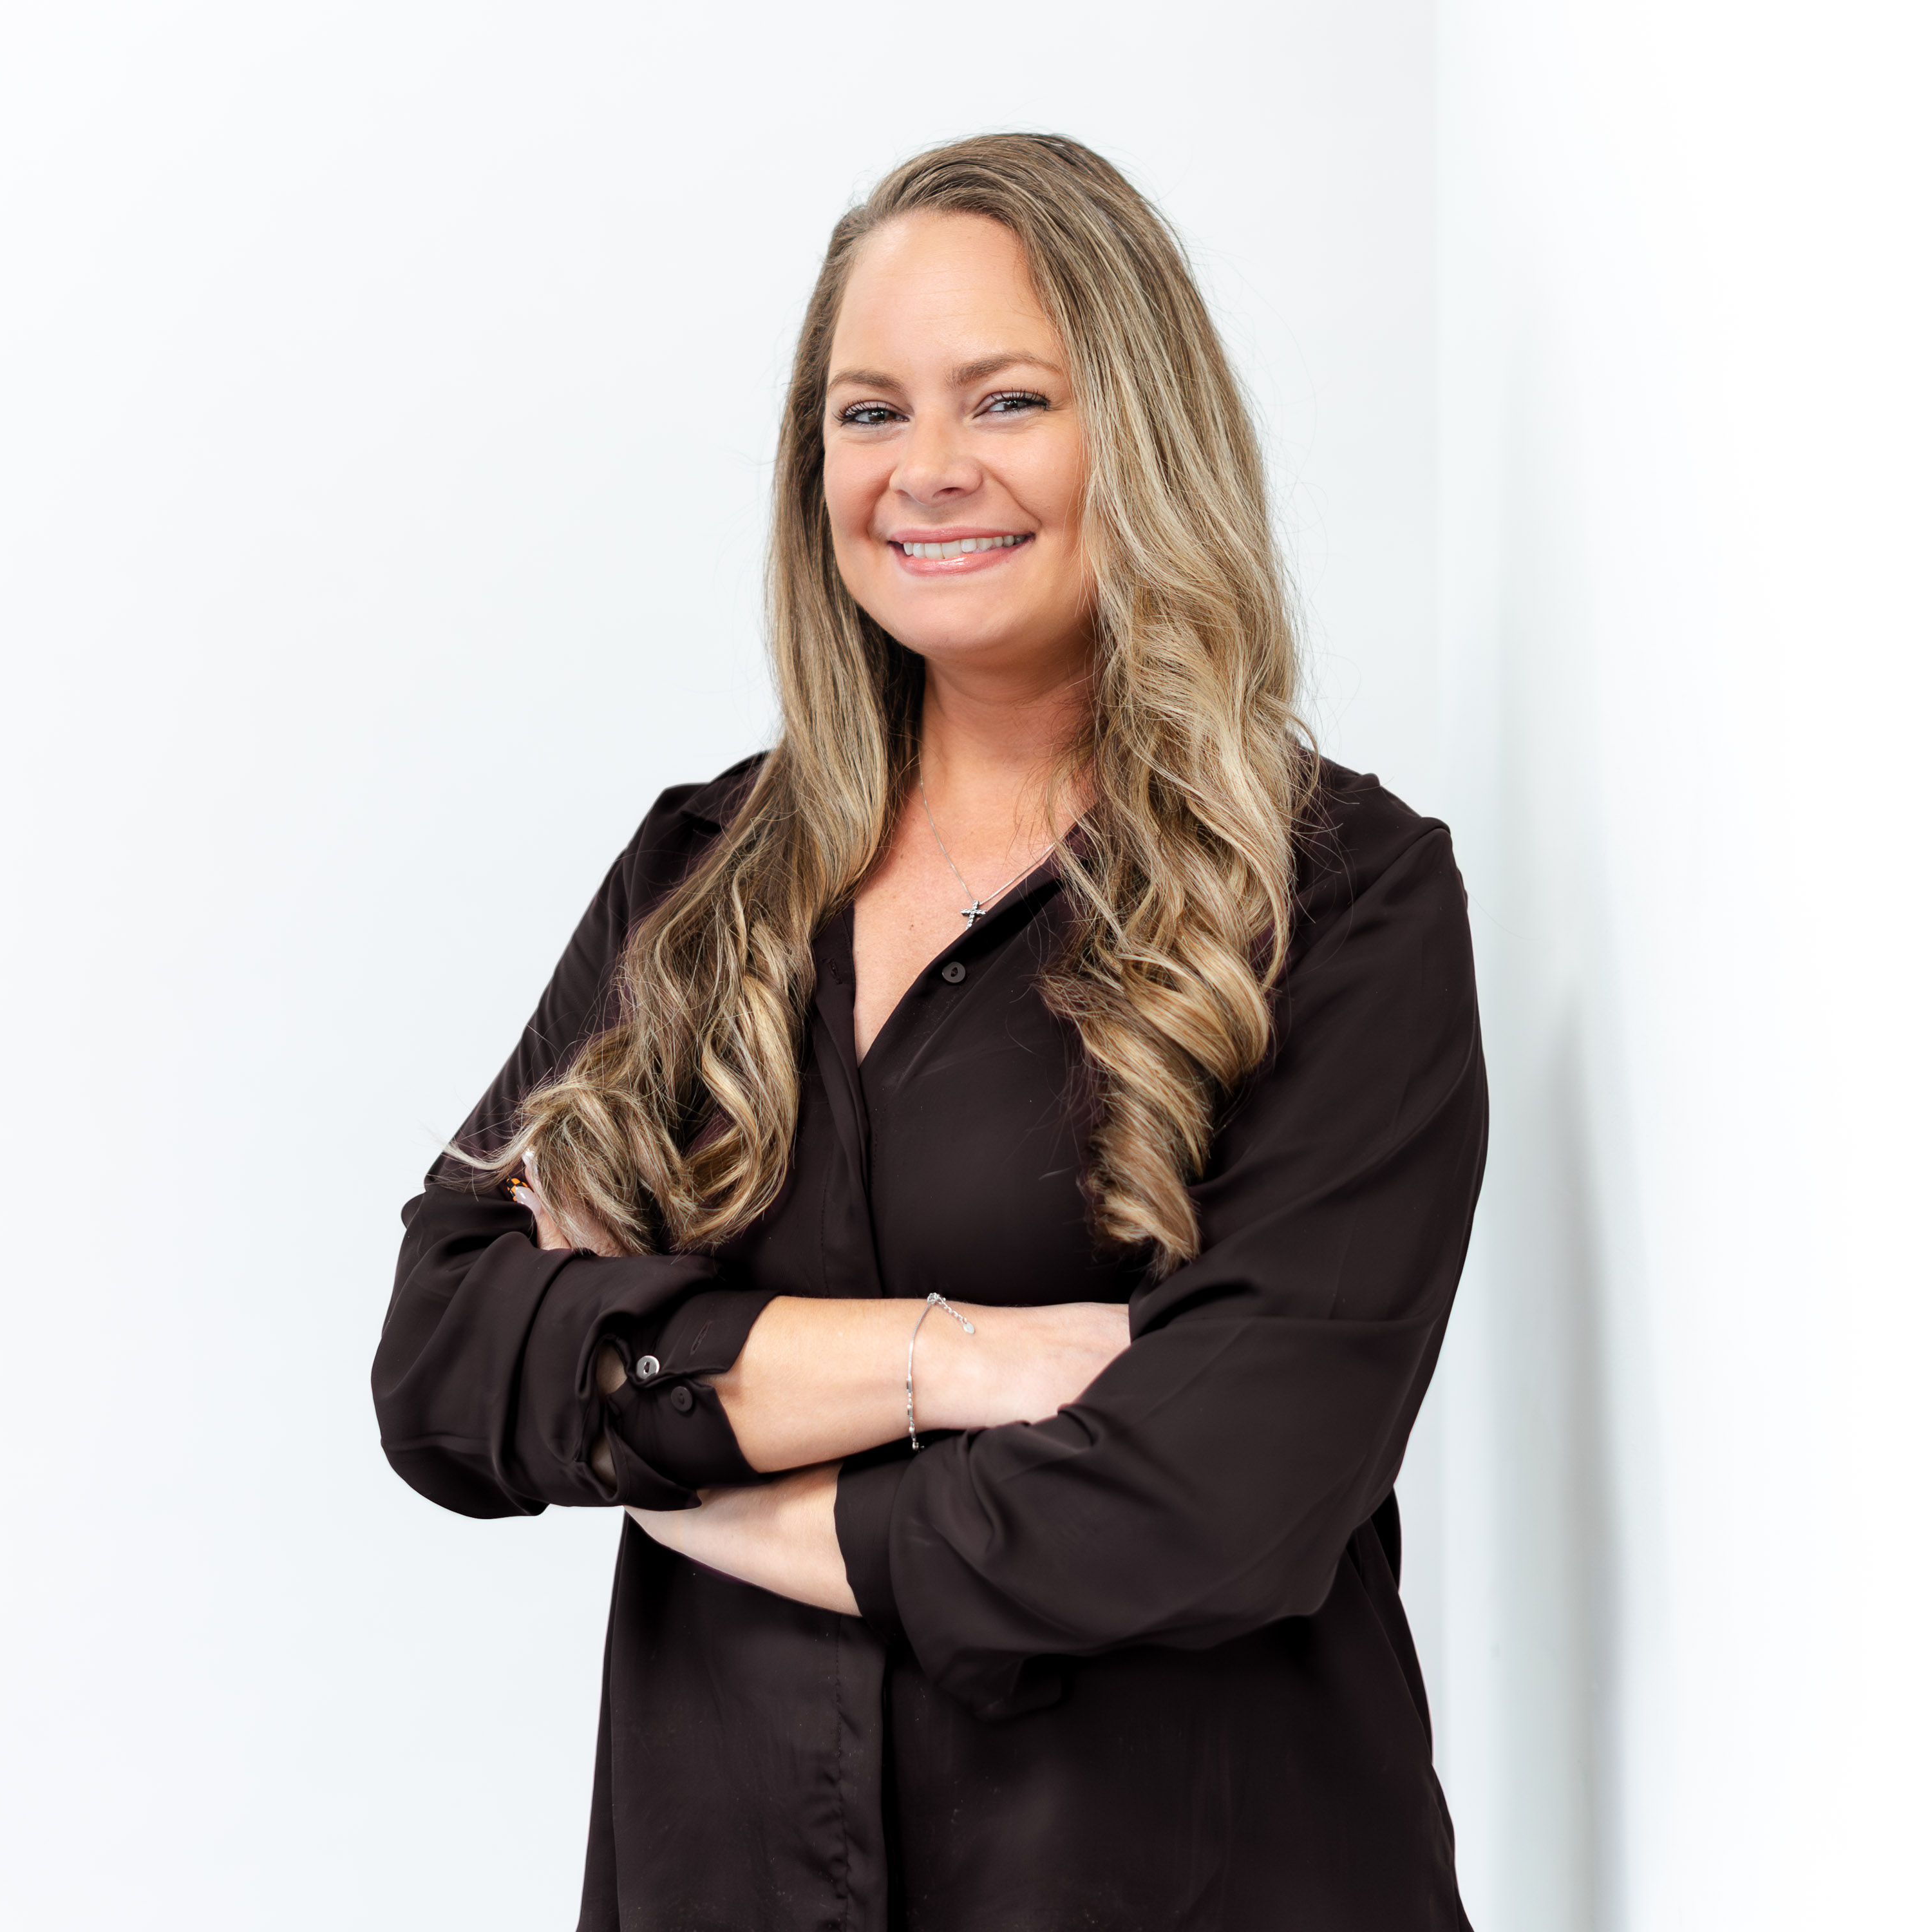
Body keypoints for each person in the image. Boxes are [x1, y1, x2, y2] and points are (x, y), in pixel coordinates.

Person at [373, 132, 1486, 1932]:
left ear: (1139, 426)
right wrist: (964, 1363)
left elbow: (1227, 1493)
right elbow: (444, 1356)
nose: (929, 471)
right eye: (868, 411)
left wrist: (708, 1475)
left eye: (1010, 398)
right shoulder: (701, 877)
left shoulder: (1342, 900)